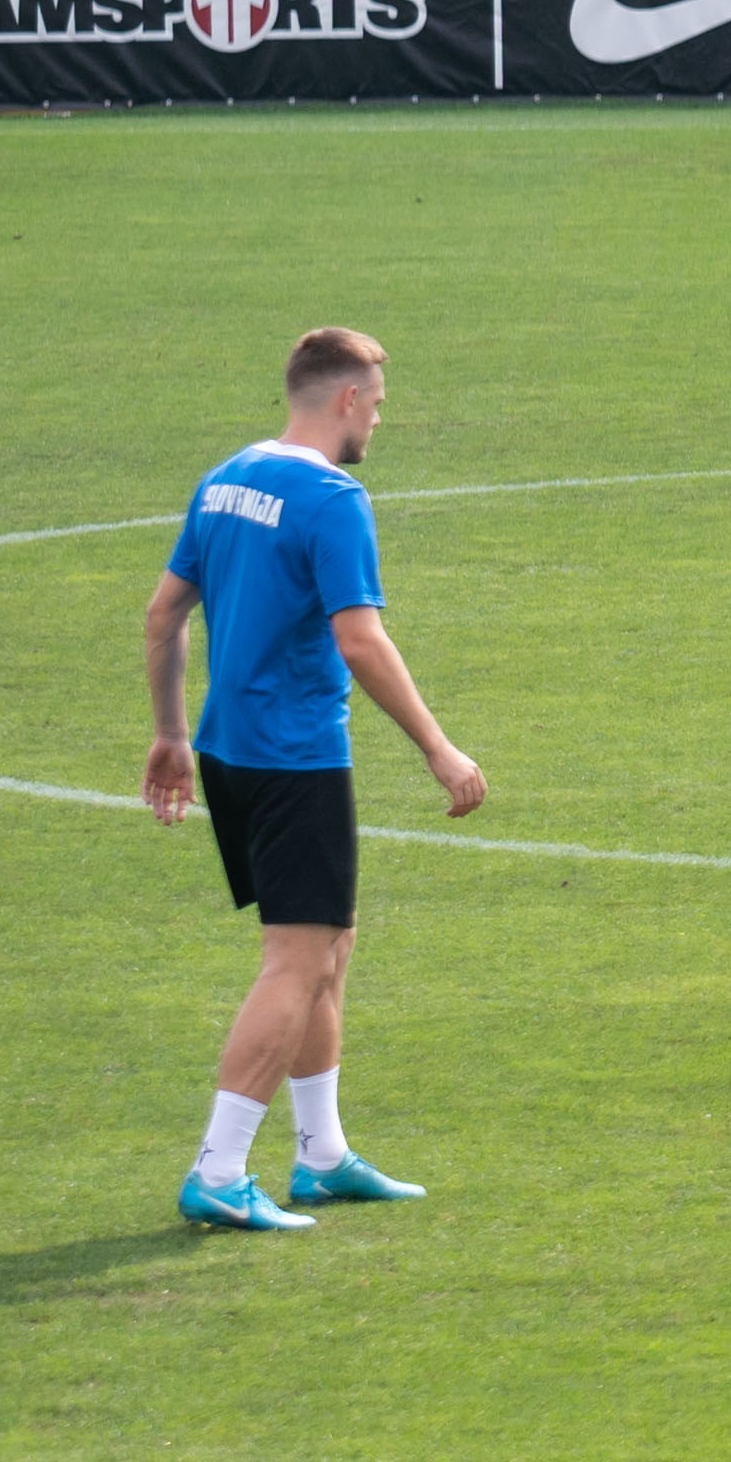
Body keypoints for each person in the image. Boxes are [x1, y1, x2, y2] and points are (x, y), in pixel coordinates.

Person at [141, 327, 487, 1233]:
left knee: (330, 945)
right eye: (375, 402)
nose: (379, 417)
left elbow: (163, 612)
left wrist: (172, 734)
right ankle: (217, 1169)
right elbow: (359, 637)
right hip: (294, 757)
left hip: (227, 751)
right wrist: (437, 749)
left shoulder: (227, 477)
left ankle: (322, 1156)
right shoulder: (334, 498)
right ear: (343, 400)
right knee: (295, 963)